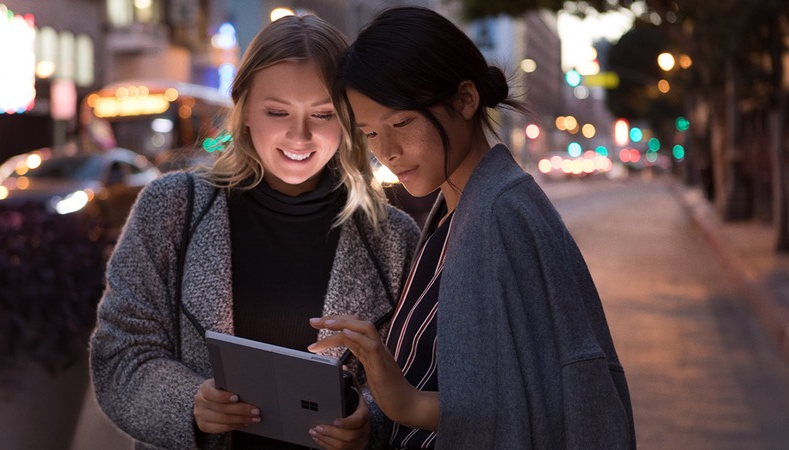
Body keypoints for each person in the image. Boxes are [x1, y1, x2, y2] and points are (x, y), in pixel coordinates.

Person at [309, 6, 636, 449]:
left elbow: (539, 406)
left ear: (464, 99)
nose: (388, 150)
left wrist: (406, 404)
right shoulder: (455, 209)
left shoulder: (502, 213)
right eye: (369, 133)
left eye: (402, 122)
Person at [90, 13, 420, 450]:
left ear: (348, 119)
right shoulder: (172, 208)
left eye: (322, 113)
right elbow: (120, 355)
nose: (299, 136)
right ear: (244, 109)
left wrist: (372, 423)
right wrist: (190, 403)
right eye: (277, 111)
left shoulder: (393, 238)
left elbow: (425, 378)